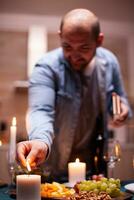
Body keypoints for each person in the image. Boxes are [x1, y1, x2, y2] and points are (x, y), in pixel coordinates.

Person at [17, 8, 132, 182]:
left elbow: (120, 99)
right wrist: (41, 141)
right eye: (67, 46)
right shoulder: (46, 67)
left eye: (84, 47)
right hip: (53, 170)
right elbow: (41, 110)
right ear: (60, 36)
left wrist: (123, 110)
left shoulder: (110, 62)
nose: (74, 56)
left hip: (95, 170)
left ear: (99, 40)